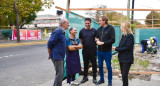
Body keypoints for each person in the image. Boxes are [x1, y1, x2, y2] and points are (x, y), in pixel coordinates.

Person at [47, 18, 69, 86]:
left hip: (60, 56)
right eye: (67, 23)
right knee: (60, 74)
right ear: (63, 24)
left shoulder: (62, 32)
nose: (68, 25)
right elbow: (49, 43)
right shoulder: (58, 31)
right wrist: (49, 53)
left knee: (59, 73)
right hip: (57, 56)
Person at [112, 21, 134, 86]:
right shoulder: (123, 36)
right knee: (123, 75)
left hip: (127, 59)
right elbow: (121, 46)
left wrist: (116, 49)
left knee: (124, 75)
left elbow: (127, 47)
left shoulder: (130, 36)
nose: (120, 28)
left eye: (121, 26)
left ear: (124, 27)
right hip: (121, 58)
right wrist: (115, 48)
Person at [96, 16, 115, 86]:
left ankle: (110, 81)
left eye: (100, 20)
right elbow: (96, 37)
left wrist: (103, 43)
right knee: (100, 65)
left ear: (104, 21)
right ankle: (102, 79)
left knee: (108, 66)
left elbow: (113, 40)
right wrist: (96, 40)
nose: (99, 22)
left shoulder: (111, 28)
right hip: (99, 51)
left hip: (107, 51)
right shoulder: (98, 29)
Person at [79, 18, 97, 84]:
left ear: (90, 23)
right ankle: (85, 77)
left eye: (88, 23)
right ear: (84, 23)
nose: (87, 24)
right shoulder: (82, 31)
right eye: (86, 23)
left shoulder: (94, 31)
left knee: (94, 65)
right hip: (85, 51)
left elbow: (97, 39)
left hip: (93, 51)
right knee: (85, 65)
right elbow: (80, 39)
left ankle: (94, 78)